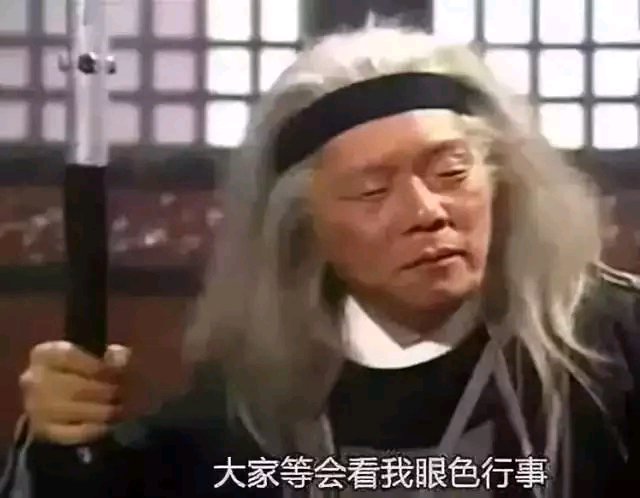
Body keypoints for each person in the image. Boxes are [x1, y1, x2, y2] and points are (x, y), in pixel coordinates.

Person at [2, 23, 640, 498]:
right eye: (372, 191)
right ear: (302, 226)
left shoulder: (614, 344)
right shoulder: (256, 393)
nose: (426, 212)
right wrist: (62, 436)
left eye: (451, 172)